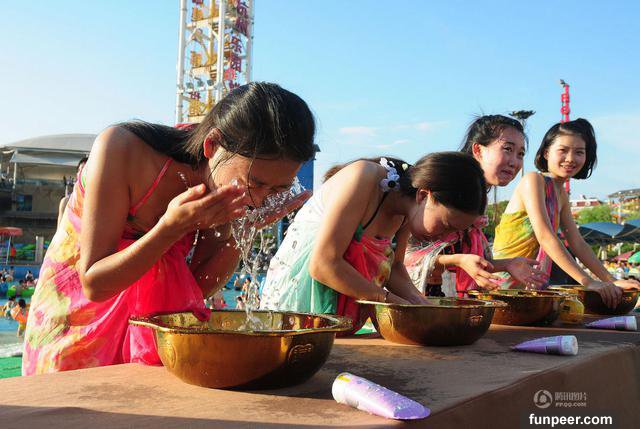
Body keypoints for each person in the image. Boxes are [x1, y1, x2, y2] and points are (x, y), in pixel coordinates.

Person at [22, 82, 317, 375]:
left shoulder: (227, 185)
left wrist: (244, 231)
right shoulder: (123, 149)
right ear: (212, 146)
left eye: (277, 189)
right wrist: (170, 229)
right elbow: (94, 284)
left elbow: (197, 287)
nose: (260, 199)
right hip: (76, 318)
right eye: (255, 183)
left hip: (147, 330)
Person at [260, 152, 488, 332]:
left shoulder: (406, 210)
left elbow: (395, 268)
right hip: (301, 297)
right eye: (446, 225)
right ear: (423, 195)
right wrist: (389, 300)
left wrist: (419, 303)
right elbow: (323, 265)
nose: (444, 238)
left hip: (339, 311)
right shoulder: (364, 177)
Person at [492, 118, 639, 307]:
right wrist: (588, 281)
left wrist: (611, 280)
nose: (570, 158)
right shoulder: (533, 180)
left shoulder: (561, 194)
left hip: (530, 286)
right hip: (503, 283)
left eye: (579, 152)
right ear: (546, 153)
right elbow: (545, 236)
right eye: (563, 150)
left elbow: (577, 243)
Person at [404, 115, 546, 296]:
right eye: (507, 149)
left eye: (520, 154)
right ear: (478, 150)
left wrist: (508, 264)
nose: (514, 162)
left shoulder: (478, 198)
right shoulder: (447, 188)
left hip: (443, 297)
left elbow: (471, 261)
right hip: (414, 296)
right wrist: (458, 260)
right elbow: (404, 256)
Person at [58, 157, 88, 226]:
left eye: (85, 170)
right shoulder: (66, 202)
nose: (82, 173)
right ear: (77, 175)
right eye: (80, 170)